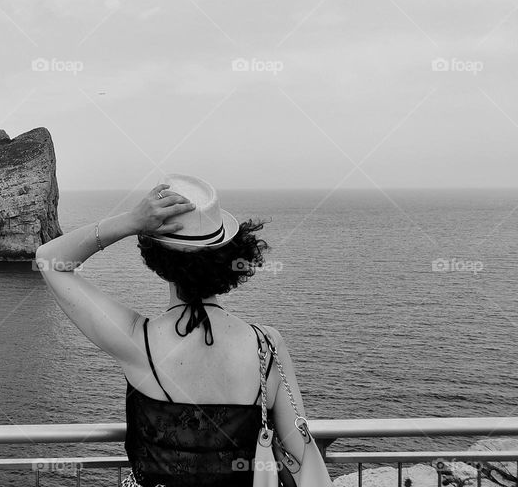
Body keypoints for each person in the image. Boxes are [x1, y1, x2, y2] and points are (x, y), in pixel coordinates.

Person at [35, 174, 331, 487]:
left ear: (157, 259)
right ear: (228, 256)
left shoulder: (138, 341)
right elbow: (299, 453)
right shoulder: (266, 345)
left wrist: (132, 221)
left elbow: (50, 259)